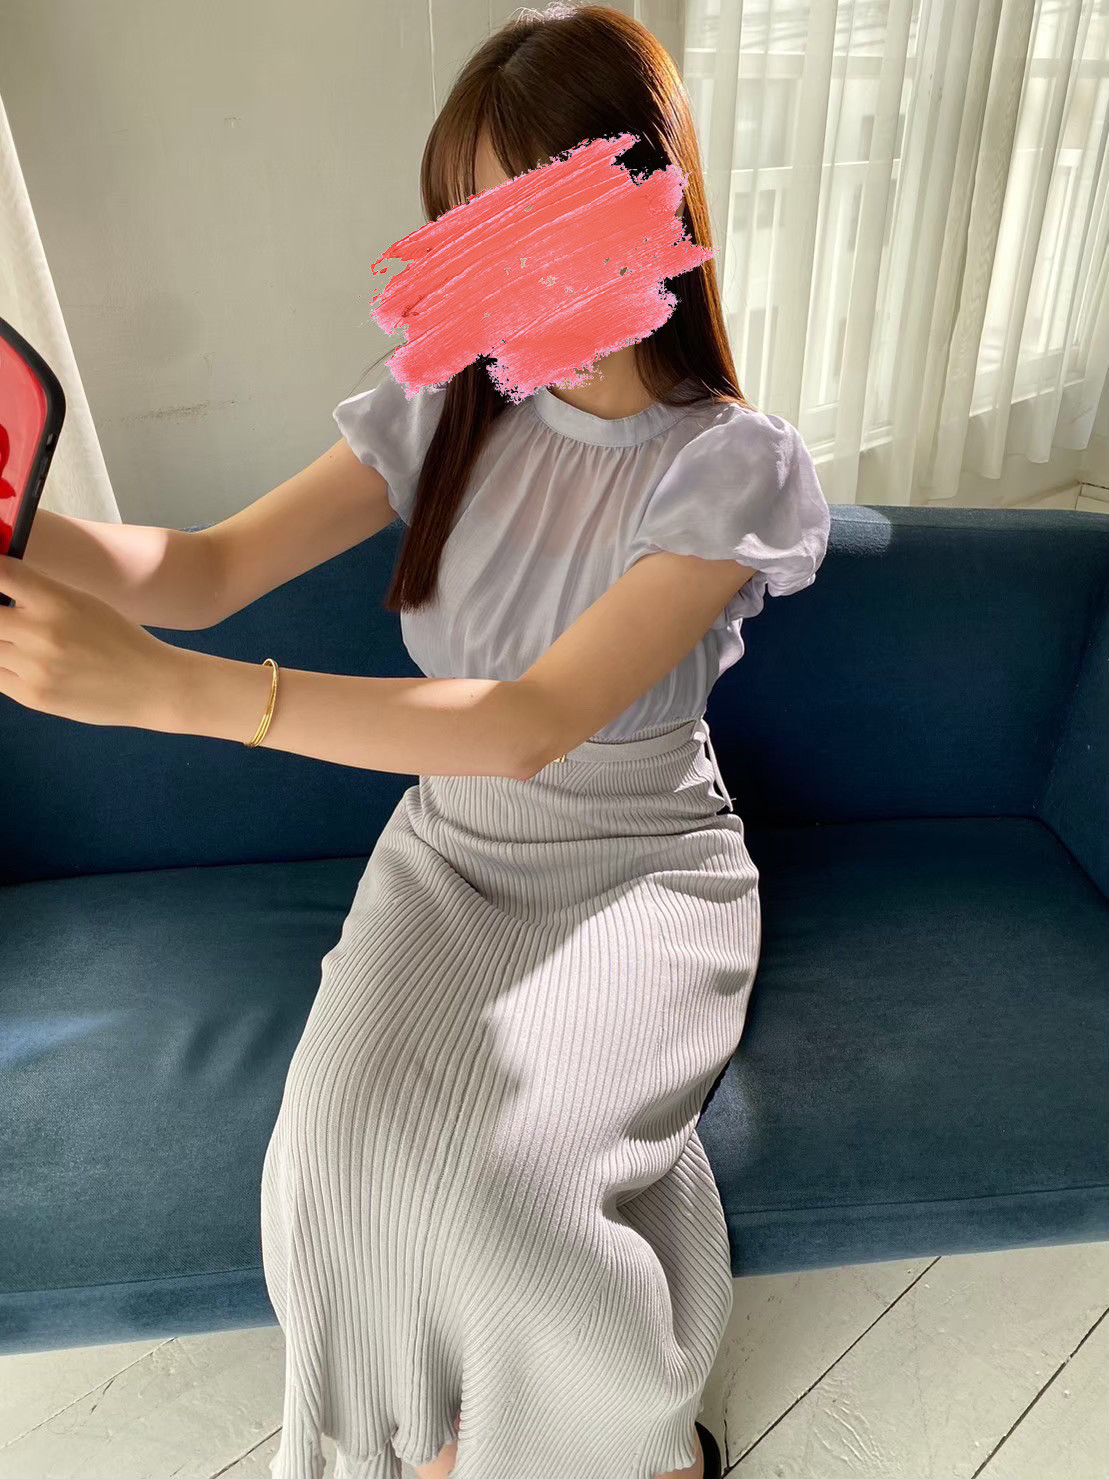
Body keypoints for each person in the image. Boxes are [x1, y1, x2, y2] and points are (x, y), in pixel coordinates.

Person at [4, 6, 828, 1478]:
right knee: (328, 1160)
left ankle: (640, 1444)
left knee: (509, 1192)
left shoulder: (732, 467)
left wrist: (178, 696)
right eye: (463, 220)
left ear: (644, 210)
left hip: (638, 868)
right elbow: (201, 569)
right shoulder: (446, 397)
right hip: (449, 855)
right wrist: (21, 523)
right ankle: (426, 1434)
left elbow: (527, 723)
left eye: (525, 218)